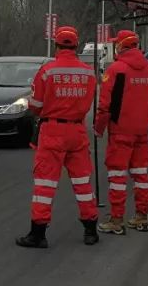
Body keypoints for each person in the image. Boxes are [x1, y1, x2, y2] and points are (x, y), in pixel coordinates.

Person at [16, 25, 100, 249]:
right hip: (77, 131)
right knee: (83, 183)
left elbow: (35, 105)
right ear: (76, 46)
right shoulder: (88, 72)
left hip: (52, 131)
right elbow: (90, 102)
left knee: (45, 185)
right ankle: (91, 229)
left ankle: (38, 233)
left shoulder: (47, 71)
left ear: (56, 45)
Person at [95, 30, 148, 234]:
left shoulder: (116, 69)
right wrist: (145, 123)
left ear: (121, 46)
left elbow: (105, 105)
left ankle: (116, 219)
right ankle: (141, 217)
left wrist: (99, 128)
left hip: (120, 132)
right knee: (141, 175)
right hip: (141, 131)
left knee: (117, 176)